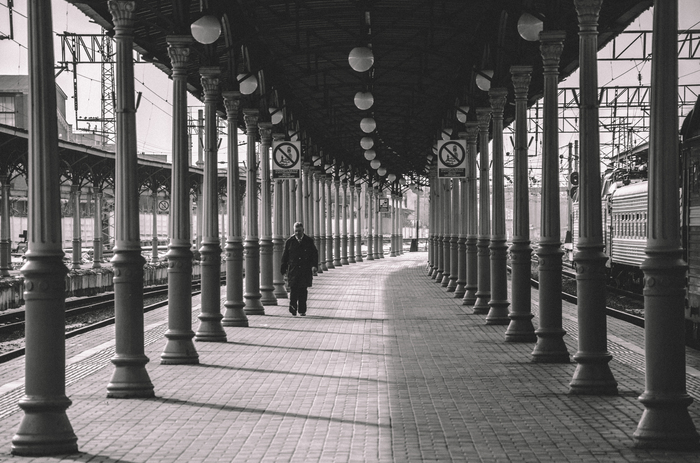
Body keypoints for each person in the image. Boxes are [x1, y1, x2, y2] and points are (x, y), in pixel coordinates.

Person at [281, 222, 318, 316]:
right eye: (296, 231)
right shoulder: (290, 241)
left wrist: (314, 266)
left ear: (303, 230)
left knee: (303, 290)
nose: (297, 233)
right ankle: (293, 309)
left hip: (304, 270)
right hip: (293, 270)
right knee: (293, 290)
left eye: (299, 231)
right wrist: (283, 269)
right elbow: (285, 256)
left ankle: (302, 310)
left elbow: (314, 254)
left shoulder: (308, 241)